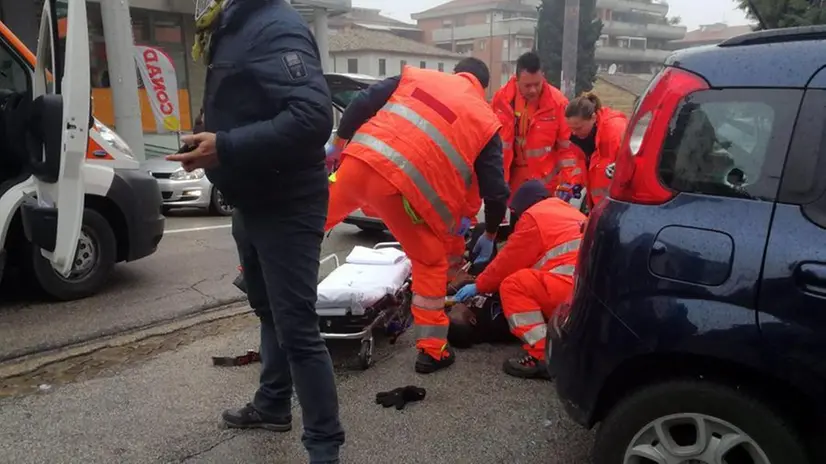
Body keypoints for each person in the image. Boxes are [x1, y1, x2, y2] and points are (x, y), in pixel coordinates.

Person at [165, 1, 344, 462]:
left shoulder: (274, 26)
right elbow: (247, 99)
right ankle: (271, 404)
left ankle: (324, 449)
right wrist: (210, 134)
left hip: (288, 203)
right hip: (251, 196)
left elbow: (312, 116)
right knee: (268, 311)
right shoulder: (229, 24)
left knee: (298, 329)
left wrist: (225, 146)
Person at [324, 57, 511, 374]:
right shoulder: (484, 118)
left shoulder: (417, 76)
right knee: (429, 262)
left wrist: (339, 143)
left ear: (456, 73)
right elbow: (495, 192)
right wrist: (491, 234)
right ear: (483, 87)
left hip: (357, 163)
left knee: (309, 221)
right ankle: (432, 351)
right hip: (404, 193)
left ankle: (256, 268)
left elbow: (363, 101)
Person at [453, 180, 585, 379]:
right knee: (530, 282)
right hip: (588, 291)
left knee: (514, 285)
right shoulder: (569, 212)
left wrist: (479, 285)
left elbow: (508, 261)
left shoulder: (535, 217)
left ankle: (542, 356)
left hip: (570, 292)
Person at [491, 51, 578, 201]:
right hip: (510, 184)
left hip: (545, 187)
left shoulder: (558, 104)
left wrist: (568, 183)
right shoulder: (501, 100)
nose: (533, 90)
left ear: (543, 76)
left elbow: (568, 150)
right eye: (527, 85)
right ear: (516, 79)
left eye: (537, 84)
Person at [565, 93, 629, 210]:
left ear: (593, 118)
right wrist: (575, 183)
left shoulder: (615, 132)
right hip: (597, 206)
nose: (574, 132)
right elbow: (583, 166)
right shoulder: (578, 139)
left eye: (578, 128)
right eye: (571, 128)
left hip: (617, 207)